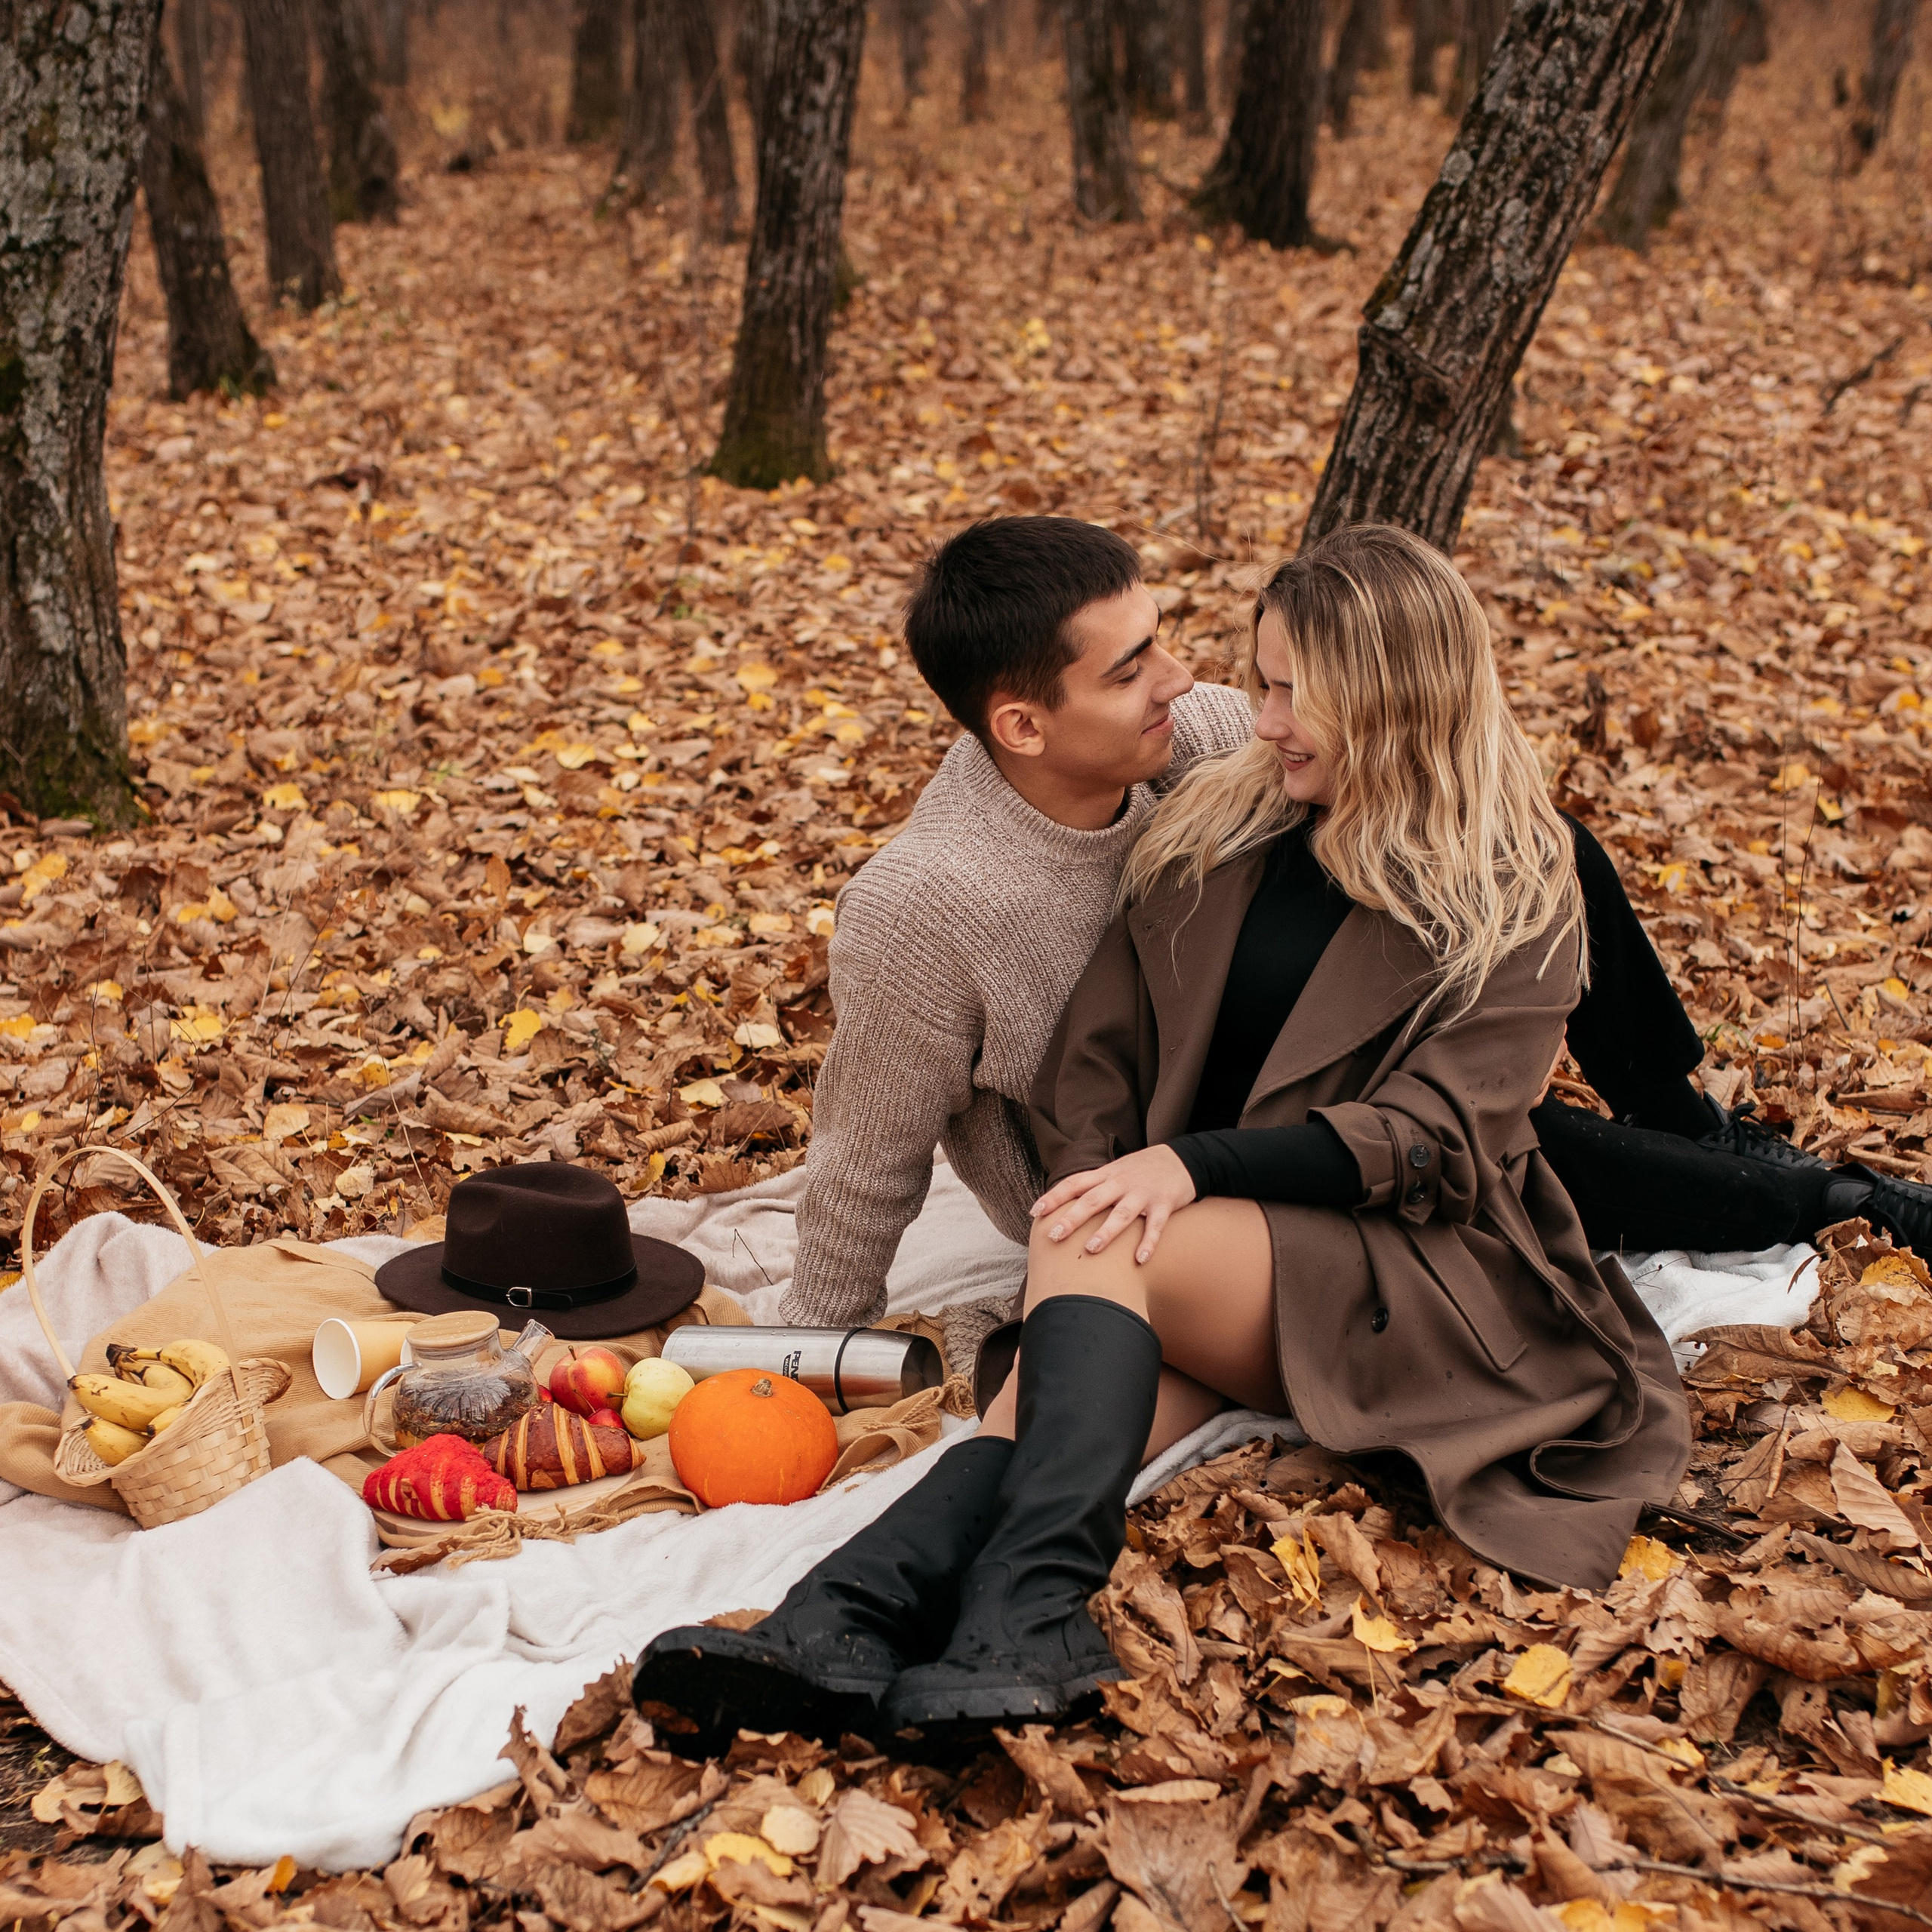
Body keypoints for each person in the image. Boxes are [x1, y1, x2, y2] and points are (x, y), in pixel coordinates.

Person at [633, 525, 1694, 1751]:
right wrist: (1097, 1186)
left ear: (1391, 699)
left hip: (1415, 1265)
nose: (1250, 714)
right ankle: (844, 1615)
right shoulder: (1226, 814)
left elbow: (1437, 1140)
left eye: (1291, 693)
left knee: (1101, 1247)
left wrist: (1181, 1171)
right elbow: (1101, 1055)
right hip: (1219, 1251)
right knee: (1063, 1350)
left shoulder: (1516, 880)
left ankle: (1027, 1609)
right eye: (1262, 681)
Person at [780, 516, 1930, 1354]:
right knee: (1508, 1155)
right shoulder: (926, 906)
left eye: (1163, 640)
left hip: (1307, 1073)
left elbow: (1419, 785)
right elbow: (863, 1159)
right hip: (1140, 1170)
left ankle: (1685, 1118)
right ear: (1024, 725)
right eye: (1132, 670)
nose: (1184, 682)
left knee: (1545, 857)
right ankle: (1832, 1203)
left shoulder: (1194, 735)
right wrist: (810, 1352)